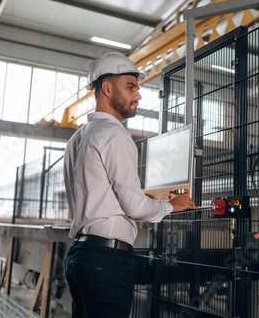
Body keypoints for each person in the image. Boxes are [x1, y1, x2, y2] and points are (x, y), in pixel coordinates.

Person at [63, 52, 197, 318]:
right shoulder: (114, 133)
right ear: (107, 87)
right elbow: (135, 206)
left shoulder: (78, 138)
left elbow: (96, 193)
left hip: (80, 254)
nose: (138, 96)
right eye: (131, 87)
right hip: (106, 260)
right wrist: (170, 205)